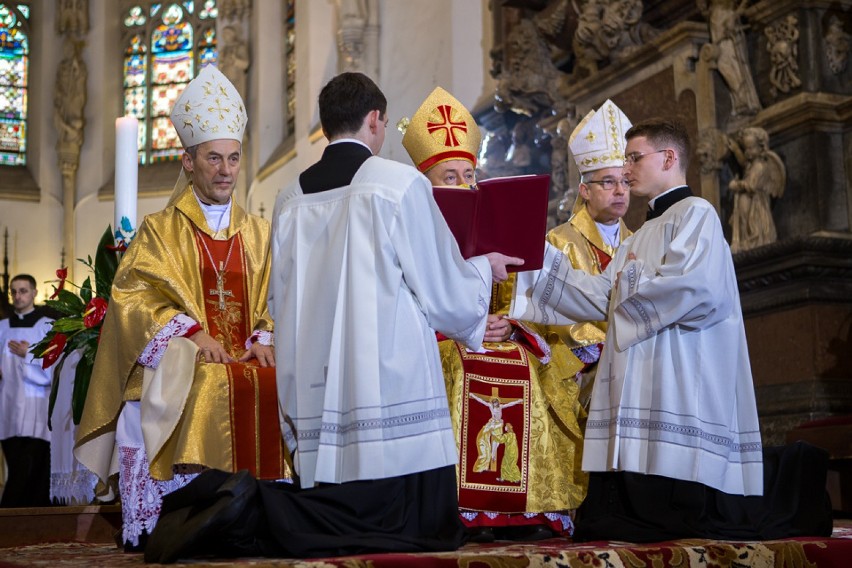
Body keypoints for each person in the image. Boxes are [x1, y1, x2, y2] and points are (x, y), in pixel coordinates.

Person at [142, 72, 523, 563]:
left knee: (347, 507)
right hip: (389, 385)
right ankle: (250, 507)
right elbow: (446, 294)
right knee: (416, 526)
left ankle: (241, 507)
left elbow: (278, 300)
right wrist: (482, 269)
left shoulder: (289, 197)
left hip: (317, 389)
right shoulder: (399, 184)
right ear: (374, 120)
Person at [511, 118, 767, 541]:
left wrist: (624, 301)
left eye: (634, 158)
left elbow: (696, 290)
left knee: (676, 501)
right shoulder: (635, 239)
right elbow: (599, 296)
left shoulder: (696, 215)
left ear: (668, 158)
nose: (626, 170)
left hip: (683, 374)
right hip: (646, 372)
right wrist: (532, 258)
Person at [74, 65, 290, 550]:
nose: (226, 170)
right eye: (214, 158)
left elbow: (278, 297)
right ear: (188, 161)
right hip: (184, 362)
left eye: (233, 158)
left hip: (247, 363)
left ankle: (260, 519)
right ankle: (180, 520)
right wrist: (191, 334)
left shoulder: (258, 232)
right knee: (198, 384)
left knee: (281, 384)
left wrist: (263, 338)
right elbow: (133, 298)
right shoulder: (159, 230)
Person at [401, 87, 587, 541]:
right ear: (426, 185)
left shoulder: (495, 222)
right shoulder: (409, 229)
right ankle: (463, 510)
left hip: (503, 342)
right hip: (438, 347)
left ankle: (527, 512)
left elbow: (530, 296)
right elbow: (405, 304)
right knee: (463, 368)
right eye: (450, 176)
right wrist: (460, 326)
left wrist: (513, 324)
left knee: (520, 364)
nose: (463, 185)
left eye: (468, 174)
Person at [545, 99, 633, 408]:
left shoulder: (638, 242)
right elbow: (551, 314)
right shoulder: (557, 242)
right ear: (585, 190)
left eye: (625, 181)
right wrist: (602, 348)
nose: (620, 191)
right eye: (608, 182)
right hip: (586, 376)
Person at [0, 275, 53, 507]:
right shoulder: (1, 328)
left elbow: (56, 365)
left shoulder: (47, 326)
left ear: (34, 292)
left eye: (23, 291)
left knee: (34, 468)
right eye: (14, 292)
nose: (18, 296)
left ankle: (12, 515)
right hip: (9, 407)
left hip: (37, 407)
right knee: (17, 465)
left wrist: (29, 354)